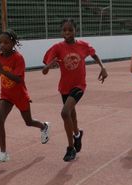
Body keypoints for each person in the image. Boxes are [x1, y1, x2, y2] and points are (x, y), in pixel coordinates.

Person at [42, 19, 108, 162]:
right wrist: (48, 66)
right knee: (72, 115)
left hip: (79, 85)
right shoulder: (57, 48)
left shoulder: (83, 46)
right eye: (64, 30)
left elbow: (94, 55)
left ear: (75, 31)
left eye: (70, 30)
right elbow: (44, 71)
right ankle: (77, 135)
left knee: (65, 112)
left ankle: (70, 148)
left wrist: (102, 67)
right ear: (61, 32)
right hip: (64, 87)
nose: (67, 33)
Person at [0, 29, 50, 163]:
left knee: (28, 122)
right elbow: (4, 71)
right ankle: (3, 153)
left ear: (13, 43)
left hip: (20, 95)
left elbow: (18, 79)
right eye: (0, 42)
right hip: (6, 95)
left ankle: (43, 126)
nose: (2, 45)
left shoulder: (18, 58)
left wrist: (1, 71)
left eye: (6, 42)